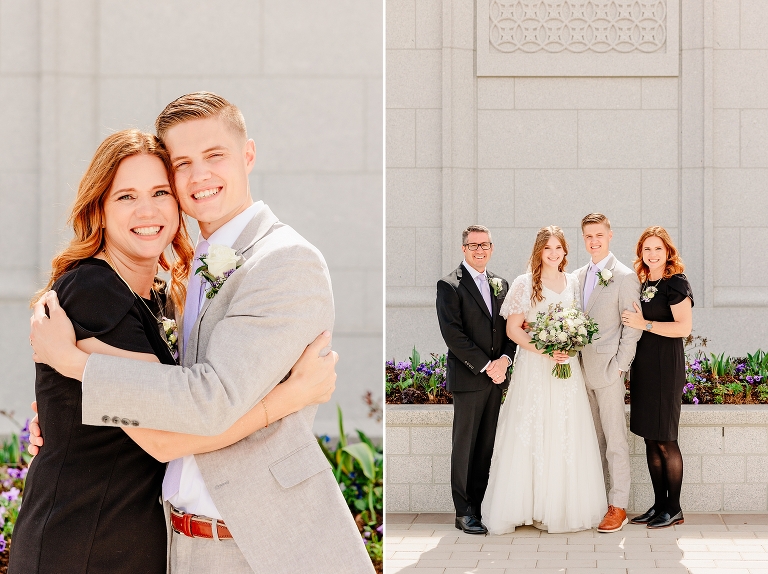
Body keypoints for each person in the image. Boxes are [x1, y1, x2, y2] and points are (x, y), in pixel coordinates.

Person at [29, 93, 374, 573]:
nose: (199, 176)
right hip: (168, 542)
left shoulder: (283, 261)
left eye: (215, 156)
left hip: (257, 545)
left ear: (247, 155)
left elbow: (206, 402)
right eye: (182, 163)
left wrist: (74, 366)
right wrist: (62, 409)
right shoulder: (180, 277)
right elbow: (161, 416)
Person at [482, 226, 606, 534]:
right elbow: (513, 329)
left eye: (558, 248)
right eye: (547, 248)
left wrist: (570, 345)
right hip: (535, 368)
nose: (553, 253)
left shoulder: (573, 282)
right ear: (539, 251)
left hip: (566, 368)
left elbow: (578, 321)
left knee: (564, 430)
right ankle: (525, 507)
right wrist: (546, 349)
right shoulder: (526, 283)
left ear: (565, 252)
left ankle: (558, 508)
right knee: (532, 430)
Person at [436, 225, 517, 535]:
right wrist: (486, 365)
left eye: (484, 245)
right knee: (465, 446)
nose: (479, 250)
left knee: (486, 446)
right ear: (464, 249)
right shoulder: (449, 285)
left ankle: (480, 507)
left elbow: (511, 329)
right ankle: (464, 511)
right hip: (470, 377)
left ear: (492, 248)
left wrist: (506, 361)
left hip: (497, 379)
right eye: (473, 245)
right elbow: (453, 334)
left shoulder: (502, 284)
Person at [621, 226, 693, 529]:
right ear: (641, 253)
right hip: (644, 366)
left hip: (666, 366)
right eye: (647, 249)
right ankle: (658, 505)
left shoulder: (675, 282)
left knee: (666, 438)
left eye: (658, 249)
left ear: (668, 252)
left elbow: (683, 328)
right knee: (651, 437)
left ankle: (673, 508)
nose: (652, 254)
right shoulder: (641, 281)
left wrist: (645, 323)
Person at [576, 213, 642, 533]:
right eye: (588, 236)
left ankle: (618, 506)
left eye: (599, 235)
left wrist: (620, 367)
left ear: (610, 235)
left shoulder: (625, 276)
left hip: (608, 370)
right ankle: (597, 501)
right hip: (578, 371)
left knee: (615, 441)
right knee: (591, 441)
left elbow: (631, 328)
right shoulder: (576, 276)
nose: (594, 241)